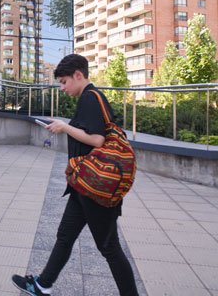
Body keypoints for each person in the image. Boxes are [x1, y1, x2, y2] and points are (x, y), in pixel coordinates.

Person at [12, 54, 138, 296]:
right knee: (64, 236)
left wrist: (64, 126)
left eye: (64, 81)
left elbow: (97, 139)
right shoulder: (90, 98)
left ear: (78, 75)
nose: (62, 87)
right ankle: (42, 285)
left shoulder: (91, 98)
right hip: (85, 186)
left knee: (109, 246)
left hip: (96, 188)